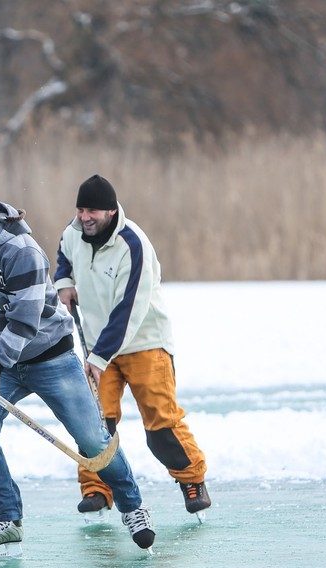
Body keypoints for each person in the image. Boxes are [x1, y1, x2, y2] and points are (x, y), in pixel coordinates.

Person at [0, 170, 155, 552]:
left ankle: (132, 506)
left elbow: (24, 320)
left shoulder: (20, 252)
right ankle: (5, 516)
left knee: (92, 439)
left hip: (49, 356)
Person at [54, 174, 212, 519]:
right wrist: (64, 281)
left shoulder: (133, 245)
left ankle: (192, 479)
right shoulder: (74, 232)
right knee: (96, 423)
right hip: (99, 345)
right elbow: (64, 252)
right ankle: (97, 489)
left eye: (92, 211)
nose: (84, 217)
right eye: (80, 210)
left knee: (160, 423)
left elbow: (128, 312)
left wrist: (97, 358)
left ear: (111, 211)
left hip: (145, 342)